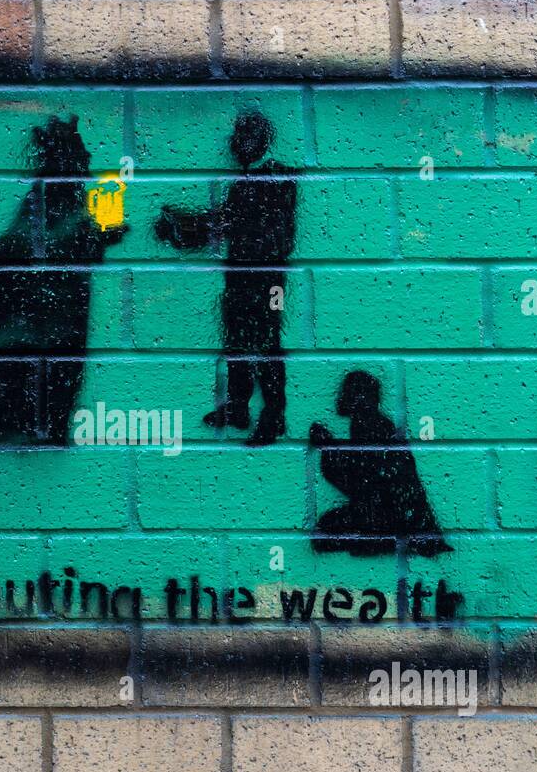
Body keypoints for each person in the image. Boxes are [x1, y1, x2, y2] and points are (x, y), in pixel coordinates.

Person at [0, 115, 127, 447]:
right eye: (81, 155)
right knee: (12, 372)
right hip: (42, 321)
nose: (88, 162)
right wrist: (89, 239)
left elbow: (30, 251)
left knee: (20, 373)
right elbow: (15, 252)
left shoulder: (63, 200)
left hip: (48, 321)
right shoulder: (53, 200)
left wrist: (94, 239)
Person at [155, 110, 297, 445]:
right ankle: (238, 406)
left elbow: (233, 224)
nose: (235, 144)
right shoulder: (243, 183)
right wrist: (185, 227)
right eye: (236, 137)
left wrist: (188, 226)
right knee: (237, 340)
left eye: (243, 137)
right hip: (241, 276)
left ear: (260, 141)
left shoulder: (278, 179)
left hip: (267, 278)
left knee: (265, 343)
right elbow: (226, 223)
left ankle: (273, 415)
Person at [310, 371, 452, 557]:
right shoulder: (368, 425)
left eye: (346, 392)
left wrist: (328, 448)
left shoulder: (373, 427)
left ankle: (380, 543)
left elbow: (360, 485)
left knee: (325, 533)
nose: (340, 396)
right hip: (392, 514)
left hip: (391, 517)